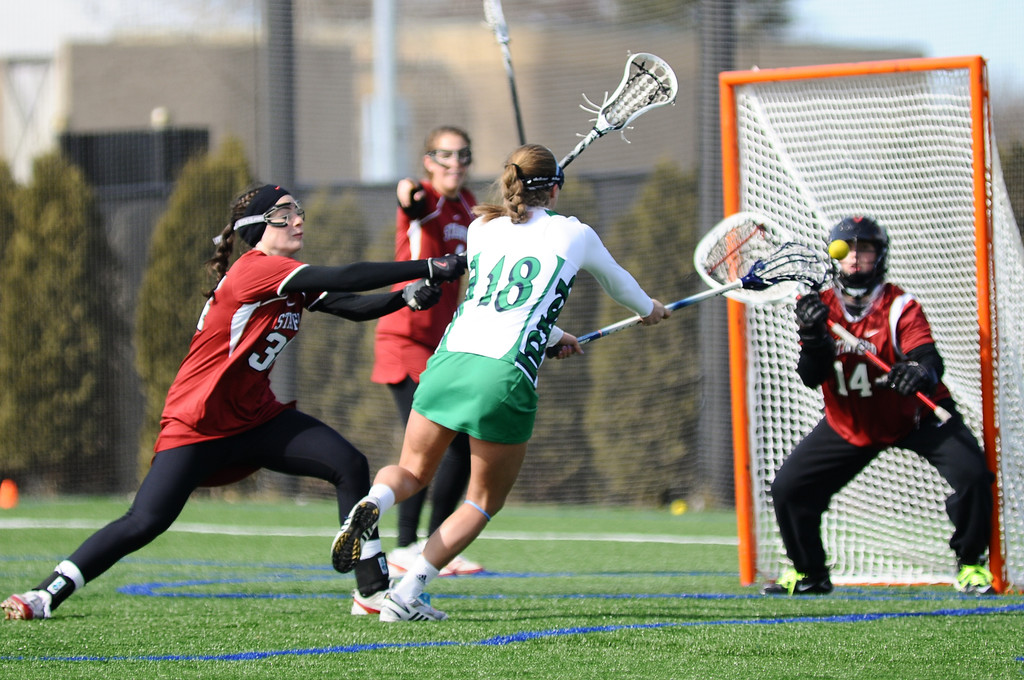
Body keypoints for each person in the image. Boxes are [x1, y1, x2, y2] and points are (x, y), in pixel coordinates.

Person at [1, 183, 466, 621]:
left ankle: (370, 592)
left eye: (297, 211)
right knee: (145, 521)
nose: (297, 220)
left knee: (349, 463)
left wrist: (403, 298)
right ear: (255, 229)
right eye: (284, 215)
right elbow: (346, 275)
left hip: (257, 418)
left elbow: (346, 301)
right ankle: (46, 593)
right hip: (199, 422)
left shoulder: (286, 278)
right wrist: (424, 267)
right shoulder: (257, 269)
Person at [329, 144, 669, 621]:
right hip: (503, 373)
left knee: (409, 472)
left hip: (448, 360)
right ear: (554, 187)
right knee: (482, 500)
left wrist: (551, 335)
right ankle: (407, 595)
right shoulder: (576, 233)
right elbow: (621, 287)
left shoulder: (481, 226)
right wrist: (650, 309)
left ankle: (373, 501)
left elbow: (496, 299)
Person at [763, 215, 995, 596]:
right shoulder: (818, 308)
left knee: (973, 475)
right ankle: (810, 573)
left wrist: (918, 373)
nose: (854, 258)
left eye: (864, 249)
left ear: (879, 255)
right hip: (850, 422)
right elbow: (810, 375)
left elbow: (928, 356)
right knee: (789, 488)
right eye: (847, 250)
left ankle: (970, 564)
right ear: (834, 258)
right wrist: (813, 335)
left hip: (916, 416)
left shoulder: (899, 305)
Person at [371, 125, 482, 580]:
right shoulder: (428, 201)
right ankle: (410, 547)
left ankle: (430, 545)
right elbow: (410, 199)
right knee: (437, 443)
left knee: (451, 445)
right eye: (445, 155)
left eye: (463, 155)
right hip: (405, 340)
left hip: (442, 347)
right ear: (428, 160)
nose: (455, 163)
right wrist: (408, 192)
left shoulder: (470, 206)